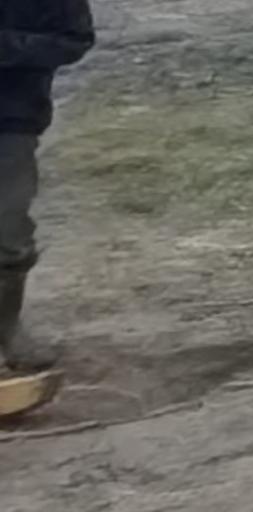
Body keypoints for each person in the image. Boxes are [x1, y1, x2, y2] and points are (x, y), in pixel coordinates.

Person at [0, 1, 95, 371]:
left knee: (8, 233)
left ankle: (7, 331)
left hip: (10, 119)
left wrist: (7, 47)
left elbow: (74, 40)